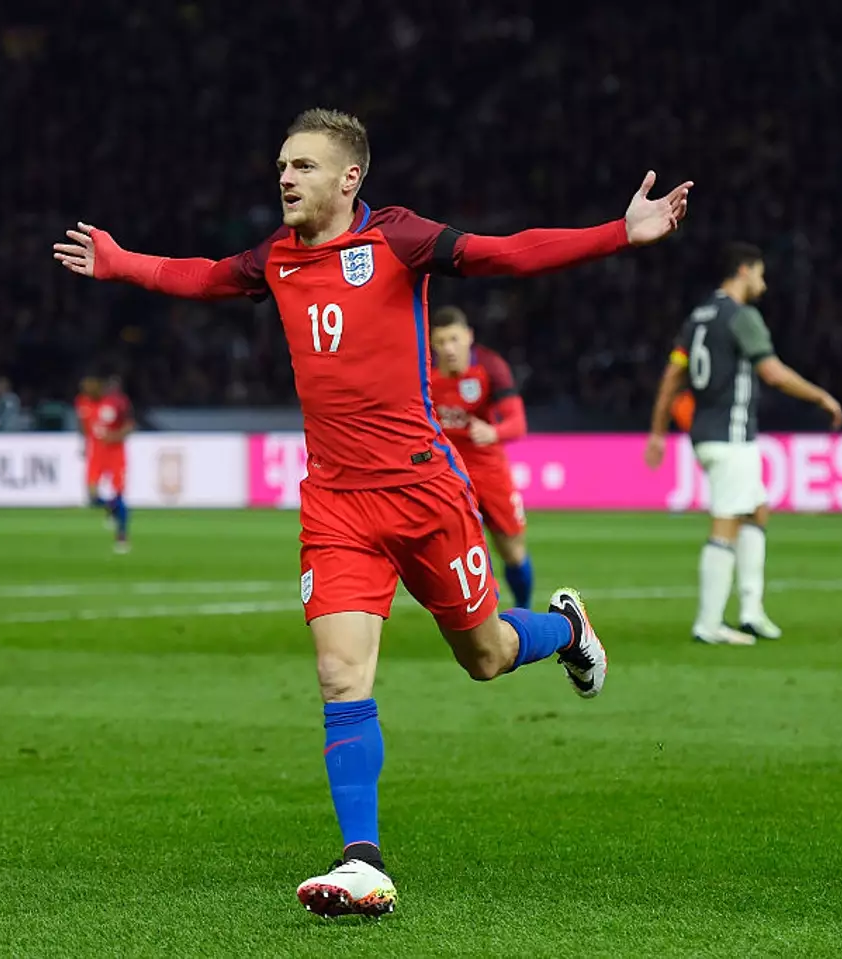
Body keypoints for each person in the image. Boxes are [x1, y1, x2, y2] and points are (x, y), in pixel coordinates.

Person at [55, 107, 690, 917]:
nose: (286, 178)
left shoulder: (397, 239)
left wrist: (616, 233)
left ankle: (566, 629)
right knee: (339, 673)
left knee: (487, 655)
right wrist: (120, 263)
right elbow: (204, 275)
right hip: (336, 503)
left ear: (349, 177)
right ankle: (363, 860)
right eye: (283, 165)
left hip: (425, 492)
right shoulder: (274, 258)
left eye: (305, 167)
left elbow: (502, 254)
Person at [645, 242, 842, 646]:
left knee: (757, 510)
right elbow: (772, 372)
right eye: (760, 273)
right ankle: (708, 622)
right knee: (727, 521)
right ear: (743, 270)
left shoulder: (698, 318)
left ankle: (751, 611)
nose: (764, 284)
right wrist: (820, 396)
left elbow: (672, 376)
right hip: (730, 435)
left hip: (708, 433)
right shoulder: (742, 317)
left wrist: (658, 431)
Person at [429, 307, 534, 607]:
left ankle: (523, 611)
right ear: (432, 344)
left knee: (513, 552)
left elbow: (518, 423)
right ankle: (485, 617)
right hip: (449, 474)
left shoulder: (490, 366)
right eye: (441, 342)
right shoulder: (423, 372)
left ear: (468, 337)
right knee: (466, 550)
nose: (448, 348)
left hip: (489, 469)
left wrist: (494, 432)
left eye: (454, 339)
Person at [85, 374, 134, 553]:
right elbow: (86, 426)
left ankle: (122, 536)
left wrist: (114, 437)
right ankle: (112, 509)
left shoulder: (118, 404)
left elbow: (129, 426)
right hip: (97, 455)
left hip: (115, 455)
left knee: (119, 494)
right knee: (91, 496)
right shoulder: (85, 403)